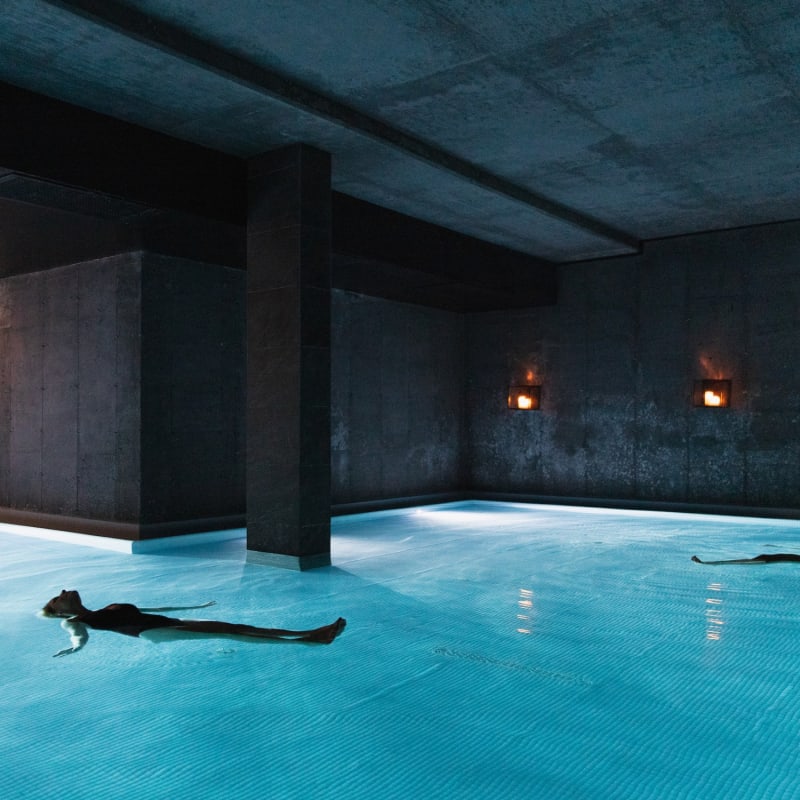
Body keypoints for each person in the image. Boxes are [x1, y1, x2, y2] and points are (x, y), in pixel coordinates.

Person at [42, 589, 346, 657]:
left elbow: (155, 607)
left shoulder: (108, 606)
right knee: (229, 634)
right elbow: (78, 638)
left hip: (165, 620)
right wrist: (74, 649)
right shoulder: (74, 622)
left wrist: (195, 606)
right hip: (151, 632)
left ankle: (307, 632)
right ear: (58, 612)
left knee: (231, 626)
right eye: (57, 598)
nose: (63, 592)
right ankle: (310, 640)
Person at [691, 553, 800, 565]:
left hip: (768, 558)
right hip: (766, 559)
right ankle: (706, 563)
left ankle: (706, 563)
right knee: (741, 562)